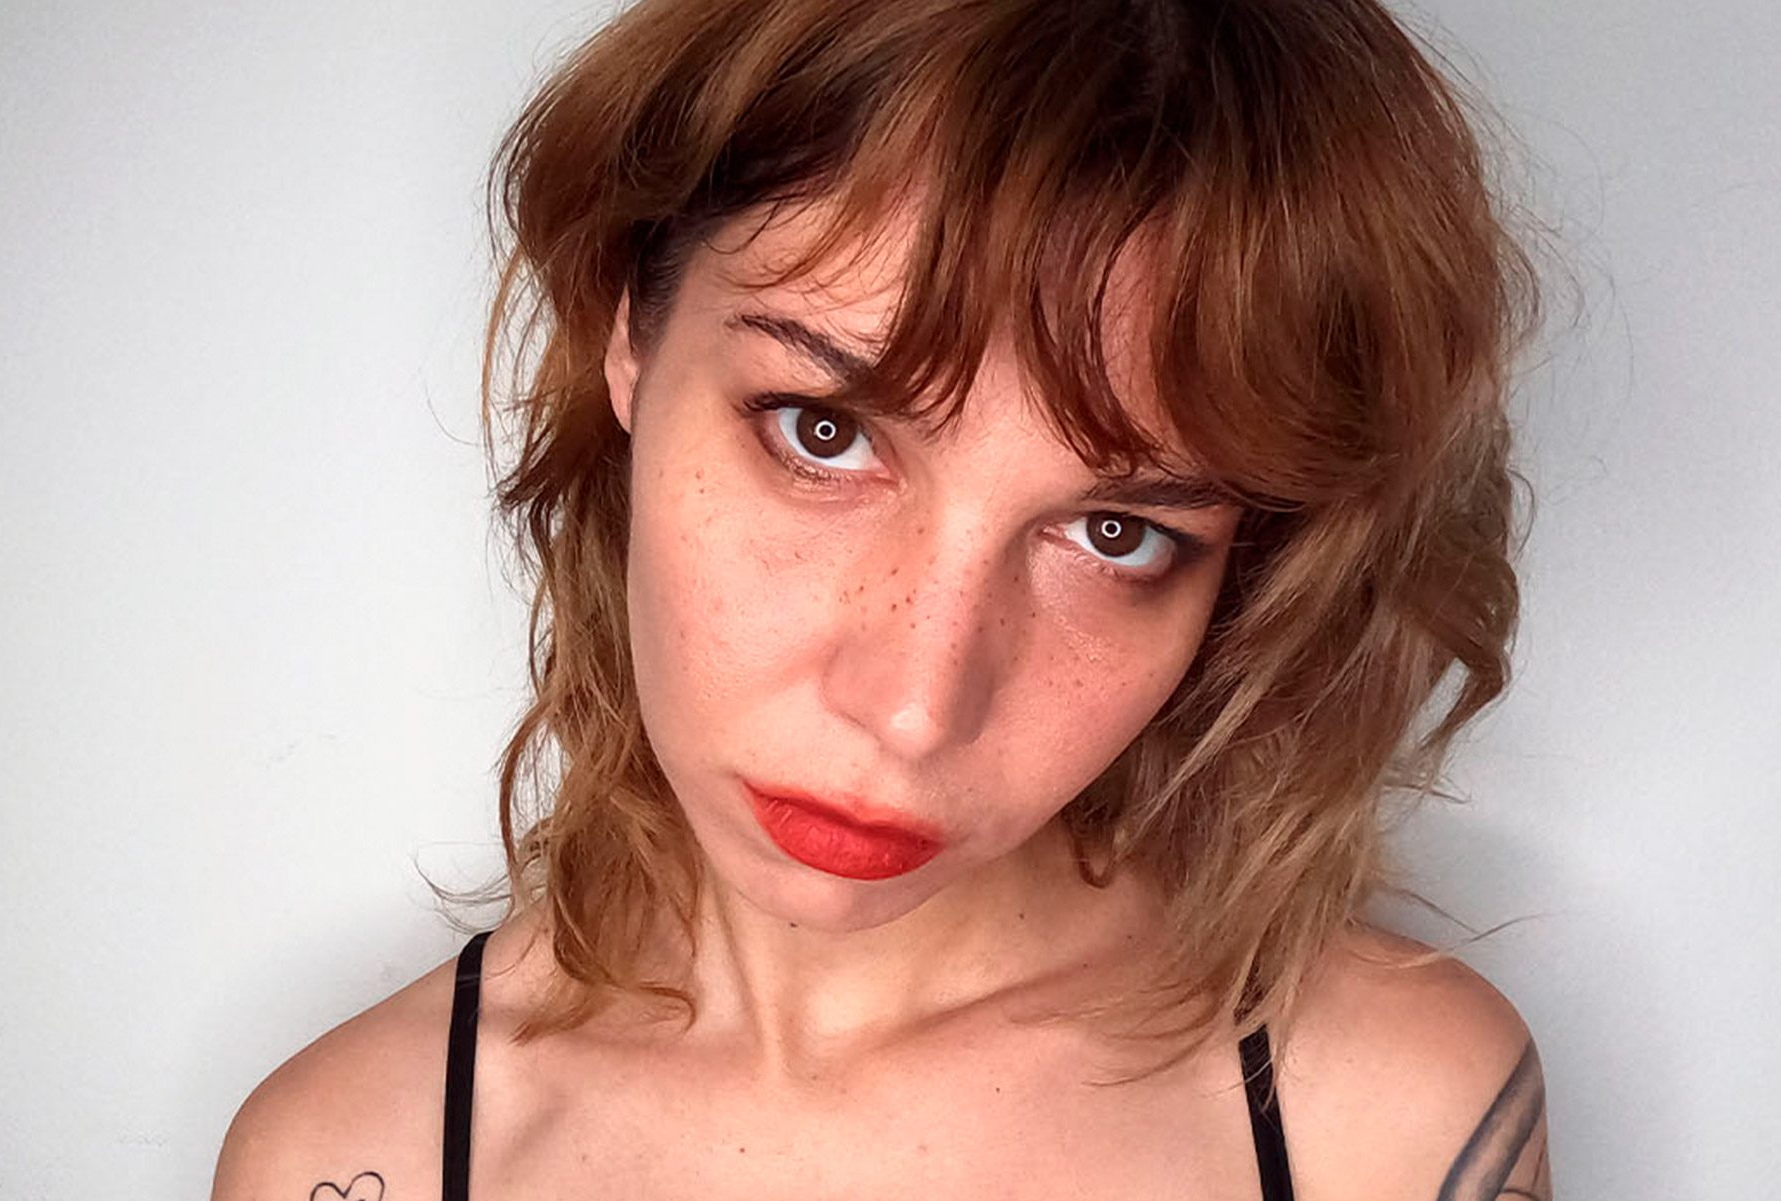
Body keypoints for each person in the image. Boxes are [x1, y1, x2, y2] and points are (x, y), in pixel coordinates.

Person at [212, 0, 1552, 1196]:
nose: (915, 710)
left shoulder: (1389, 1119)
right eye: (825, 432)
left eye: (1117, 532)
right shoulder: (354, 1156)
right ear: (631, 330)